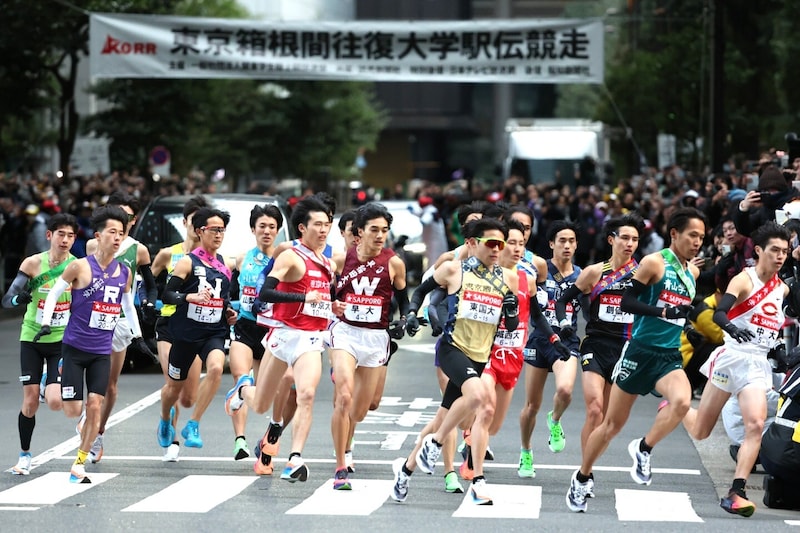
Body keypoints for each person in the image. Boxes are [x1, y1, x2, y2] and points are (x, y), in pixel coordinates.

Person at [566, 207, 706, 513]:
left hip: (668, 355)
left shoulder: (692, 272)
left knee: (682, 403)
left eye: (701, 237)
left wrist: (689, 328)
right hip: (639, 351)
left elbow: (679, 307)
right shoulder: (654, 263)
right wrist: (663, 313)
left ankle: (644, 448)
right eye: (692, 235)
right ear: (674, 234)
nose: (697, 242)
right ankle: (582, 476)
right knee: (609, 424)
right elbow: (629, 301)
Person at [390, 218, 521, 506]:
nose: (498, 250)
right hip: (452, 349)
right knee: (478, 396)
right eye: (492, 243)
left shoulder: (509, 278)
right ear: (473, 243)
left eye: (502, 244)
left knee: (444, 416)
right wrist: (412, 313)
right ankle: (464, 469)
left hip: (480, 356)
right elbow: (422, 291)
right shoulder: (453, 269)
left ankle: (405, 470)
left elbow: (510, 326)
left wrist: (511, 312)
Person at [225, 196, 340, 482]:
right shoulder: (290, 255)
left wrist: (333, 306)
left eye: (327, 225)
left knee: (307, 394)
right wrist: (302, 296)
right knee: (261, 403)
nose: (324, 230)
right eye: (318, 225)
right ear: (302, 227)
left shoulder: (327, 263)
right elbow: (265, 293)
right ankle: (241, 392)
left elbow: (321, 301)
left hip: (311, 339)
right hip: (283, 335)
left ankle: (295, 458)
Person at [683, 221, 791, 517]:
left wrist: (777, 350)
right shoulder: (745, 280)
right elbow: (719, 312)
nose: (781, 256)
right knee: (702, 430)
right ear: (759, 251)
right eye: (775, 250)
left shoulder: (782, 288)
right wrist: (731, 326)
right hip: (731, 357)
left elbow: (772, 327)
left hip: (757, 364)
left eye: (785, 251)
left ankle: (737, 491)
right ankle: (678, 406)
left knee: (755, 425)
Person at [35, 205, 142, 484]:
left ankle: (79, 464)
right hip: (74, 348)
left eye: (121, 233)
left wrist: (138, 335)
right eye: (112, 232)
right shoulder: (79, 266)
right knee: (72, 409)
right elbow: (55, 293)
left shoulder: (123, 273)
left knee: (96, 404)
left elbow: (128, 307)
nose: (118, 238)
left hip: (100, 351)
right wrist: (46, 323)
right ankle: (54, 377)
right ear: (98, 235)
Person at [458, 219, 570, 484]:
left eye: (522, 243)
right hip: (485, 353)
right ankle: (474, 467)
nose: (518, 249)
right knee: (485, 410)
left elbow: (537, 316)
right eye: (512, 243)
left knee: (493, 425)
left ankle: (470, 436)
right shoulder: (481, 275)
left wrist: (554, 339)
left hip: (513, 356)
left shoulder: (527, 279)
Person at [329, 202, 409, 489]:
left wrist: (407, 318)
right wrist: (331, 305)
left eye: (384, 231)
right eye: (374, 230)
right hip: (345, 333)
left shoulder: (394, 262)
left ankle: (348, 442)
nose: (380, 236)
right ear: (359, 232)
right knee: (344, 395)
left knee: (361, 410)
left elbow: (404, 298)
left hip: (376, 338)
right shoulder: (340, 261)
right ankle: (340, 466)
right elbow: (326, 294)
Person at [555, 214, 642, 463]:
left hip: (626, 349)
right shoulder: (595, 272)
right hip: (595, 345)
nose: (630, 244)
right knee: (594, 409)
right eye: (625, 238)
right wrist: (564, 325)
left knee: (607, 419)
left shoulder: (643, 273)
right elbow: (562, 300)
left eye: (635, 239)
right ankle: (585, 472)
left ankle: (588, 464)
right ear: (611, 240)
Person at [2, 213, 78, 475]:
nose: (65, 240)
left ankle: (49, 379)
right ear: (50, 236)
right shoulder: (33, 264)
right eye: (61, 234)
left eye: (70, 236)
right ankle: (24, 455)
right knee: (31, 400)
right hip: (32, 338)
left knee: (56, 402)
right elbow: (7, 300)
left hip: (61, 340)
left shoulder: (77, 266)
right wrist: (18, 300)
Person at [157, 207, 237, 453]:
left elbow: (223, 298)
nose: (219, 235)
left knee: (215, 368)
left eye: (222, 230)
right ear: (200, 231)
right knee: (174, 388)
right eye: (214, 230)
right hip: (185, 334)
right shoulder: (186, 262)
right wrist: (189, 297)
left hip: (213, 333)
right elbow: (167, 295)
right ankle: (164, 418)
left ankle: (193, 424)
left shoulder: (224, 265)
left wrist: (228, 313)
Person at [83, 191, 156, 463]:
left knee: (111, 384)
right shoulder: (93, 245)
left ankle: (99, 431)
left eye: (125, 216)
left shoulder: (140, 249)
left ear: (133, 220)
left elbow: (148, 283)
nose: (120, 221)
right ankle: (87, 415)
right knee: (91, 374)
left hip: (121, 319)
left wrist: (148, 303)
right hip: (92, 317)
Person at [519, 221, 582, 476]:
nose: (567, 245)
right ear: (551, 244)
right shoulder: (539, 269)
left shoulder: (582, 275)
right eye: (562, 241)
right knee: (531, 405)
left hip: (566, 342)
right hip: (539, 340)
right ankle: (526, 453)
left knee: (565, 390)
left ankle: (554, 420)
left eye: (572, 241)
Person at [149, 195, 208, 461]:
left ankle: (171, 413)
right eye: (194, 222)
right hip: (169, 324)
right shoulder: (167, 254)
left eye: (202, 225)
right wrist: (149, 302)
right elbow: (148, 279)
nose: (197, 229)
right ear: (184, 222)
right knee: (173, 382)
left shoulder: (211, 260)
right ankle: (168, 432)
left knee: (187, 397)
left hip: (195, 327)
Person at [227, 204, 283, 460]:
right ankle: (240, 440)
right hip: (246, 326)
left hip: (271, 330)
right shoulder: (241, 258)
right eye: (262, 226)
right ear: (253, 229)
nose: (267, 231)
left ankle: (265, 440)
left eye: (272, 227)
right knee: (241, 377)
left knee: (263, 397)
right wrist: (229, 308)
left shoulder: (285, 261)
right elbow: (229, 289)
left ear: (279, 230)